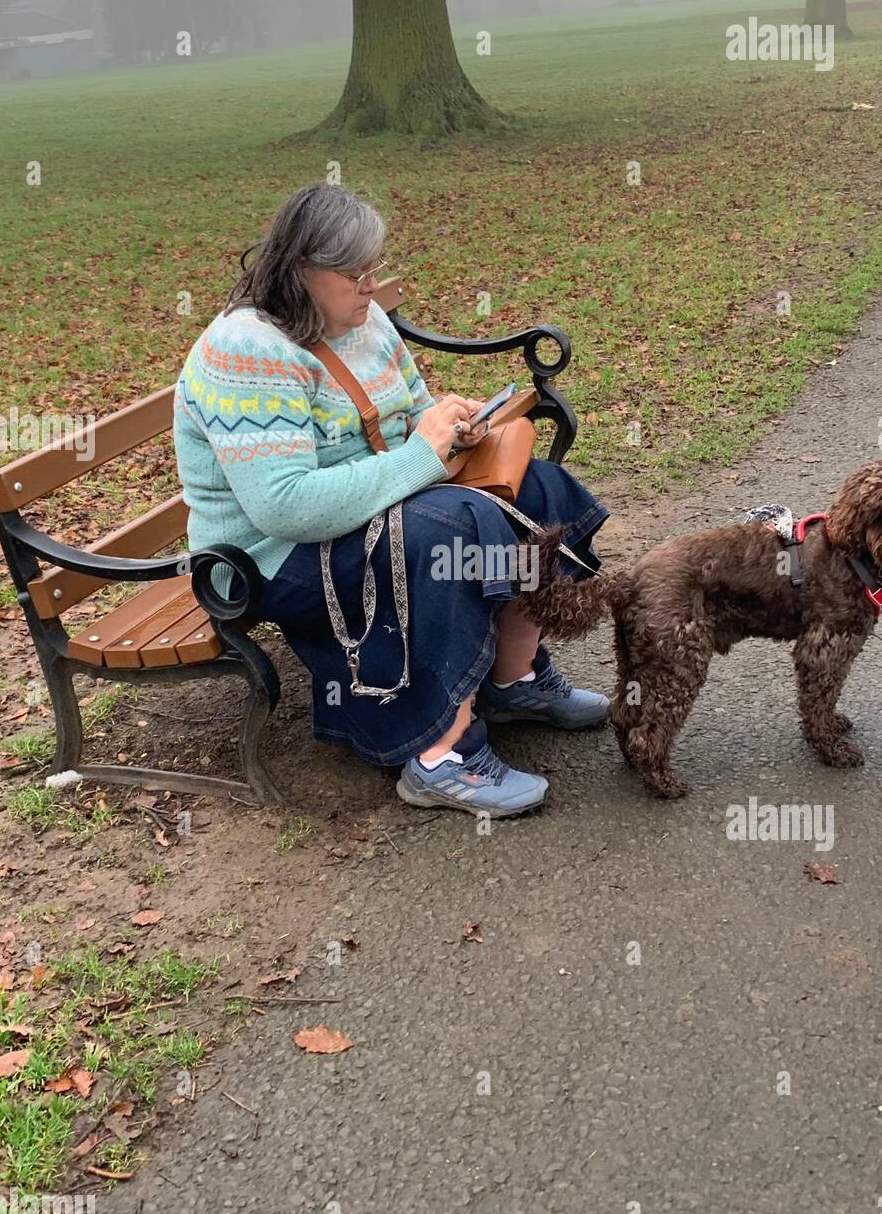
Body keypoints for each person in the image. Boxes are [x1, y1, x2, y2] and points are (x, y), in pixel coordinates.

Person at [173, 183, 610, 817]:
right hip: (266, 558)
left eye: (373, 269)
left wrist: (449, 422)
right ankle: (440, 755)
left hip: (361, 509)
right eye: (354, 275)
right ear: (299, 270)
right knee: (449, 536)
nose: (371, 286)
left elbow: (409, 406)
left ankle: (510, 681)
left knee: (538, 492)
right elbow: (284, 507)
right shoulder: (248, 349)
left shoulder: (363, 317)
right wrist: (421, 456)